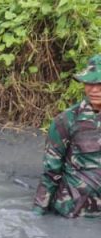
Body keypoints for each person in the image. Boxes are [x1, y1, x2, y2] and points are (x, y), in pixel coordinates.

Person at [33, 54, 101, 219]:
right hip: (75, 214)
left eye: (100, 84)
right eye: (89, 83)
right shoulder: (66, 120)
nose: (94, 90)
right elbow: (50, 173)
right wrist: (37, 216)